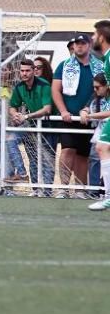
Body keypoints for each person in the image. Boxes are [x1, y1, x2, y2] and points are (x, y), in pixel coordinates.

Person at [52, 34, 102, 197]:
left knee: (83, 155)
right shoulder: (64, 65)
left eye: (82, 43)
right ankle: (63, 188)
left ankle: (80, 189)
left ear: (89, 45)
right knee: (67, 151)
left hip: (90, 118)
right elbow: (55, 90)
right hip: (69, 117)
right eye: (76, 44)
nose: (79, 46)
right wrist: (63, 111)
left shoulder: (100, 66)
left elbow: (102, 91)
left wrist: (88, 110)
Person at [8, 58, 54, 197]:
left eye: (28, 70)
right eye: (22, 71)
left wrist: (26, 116)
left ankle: (46, 191)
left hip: (49, 125)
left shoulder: (44, 85)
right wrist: (15, 114)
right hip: (31, 125)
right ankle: (25, 177)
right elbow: (12, 106)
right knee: (12, 141)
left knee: (47, 159)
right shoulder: (19, 87)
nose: (24, 73)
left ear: (34, 71)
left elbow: (47, 108)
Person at [80, 73, 110, 197]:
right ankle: (93, 191)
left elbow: (108, 113)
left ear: (107, 86)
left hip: (107, 135)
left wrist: (90, 115)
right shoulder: (95, 97)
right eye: (94, 87)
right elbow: (86, 108)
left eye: (98, 87)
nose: (95, 90)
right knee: (94, 160)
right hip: (100, 134)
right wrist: (83, 112)